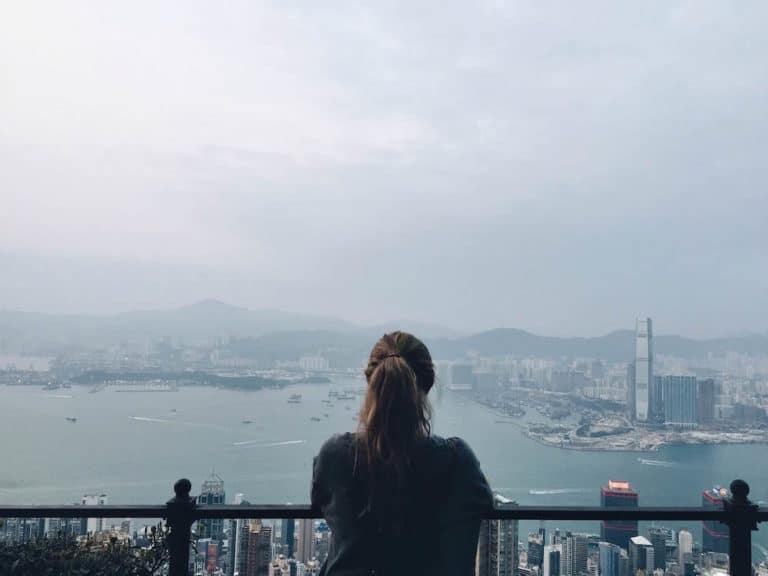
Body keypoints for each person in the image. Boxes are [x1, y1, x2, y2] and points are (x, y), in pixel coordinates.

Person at [311, 331, 493, 575]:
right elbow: (482, 501)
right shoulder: (457, 463)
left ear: (371, 384)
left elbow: (320, 498)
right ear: (426, 389)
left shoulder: (336, 457)